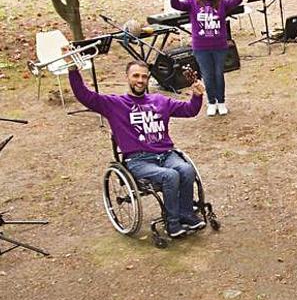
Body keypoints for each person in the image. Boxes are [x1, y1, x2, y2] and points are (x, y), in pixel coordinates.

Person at [68, 60, 207, 238]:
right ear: (127, 77)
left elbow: (190, 110)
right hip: (139, 160)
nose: (140, 80)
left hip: (165, 154)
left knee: (186, 170)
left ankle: (186, 214)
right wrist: (73, 70)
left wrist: (197, 96)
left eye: (144, 76)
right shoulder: (114, 104)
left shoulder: (159, 100)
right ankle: (172, 223)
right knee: (170, 175)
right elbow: (84, 95)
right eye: (135, 76)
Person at [170, 0, 242, 117]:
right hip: (201, 48)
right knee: (207, 75)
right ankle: (211, 102)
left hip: (219, 46)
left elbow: (238, 0)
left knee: (218, 74)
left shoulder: (222, 2)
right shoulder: (192, 2)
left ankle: (221, 102)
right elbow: (176, 4)